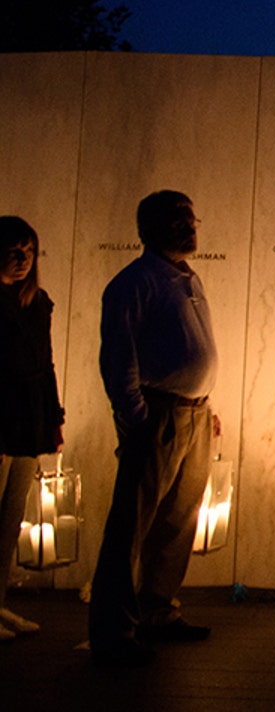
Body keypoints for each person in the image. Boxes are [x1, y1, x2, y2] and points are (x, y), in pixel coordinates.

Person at [89, 190, 220, 665]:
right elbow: (118, 358)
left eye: (190, 217)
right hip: (159, 414)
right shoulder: (135, 282)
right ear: (147, 229)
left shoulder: (189, 277)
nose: (187, 226)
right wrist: (138, 417)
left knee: (178, 520)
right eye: (175, 219)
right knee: (132, 526)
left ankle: (157, 611)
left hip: (194, 413)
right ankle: (113, 631)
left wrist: (204, 401)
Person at [1, 216, 64, 642]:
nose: (23, 259)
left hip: (28, 416)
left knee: (9, 519)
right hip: (3, 411)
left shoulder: (36, 300)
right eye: (13, 250)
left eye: (29, 250)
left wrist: (53, 420)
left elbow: (46, 363)